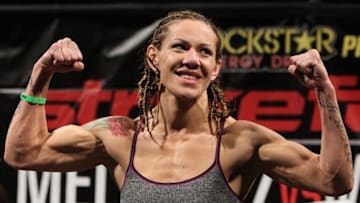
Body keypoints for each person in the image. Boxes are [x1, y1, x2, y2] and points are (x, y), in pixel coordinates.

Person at [4, 10, 353, 202]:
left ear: (216, 68)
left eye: (204, 52)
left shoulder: (242, 141)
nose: (192, 59)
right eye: (180, 47)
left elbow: (333, 181)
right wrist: (41, 74)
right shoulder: (121, 136)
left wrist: (326, 94)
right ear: (154, 57)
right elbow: (23, 154)